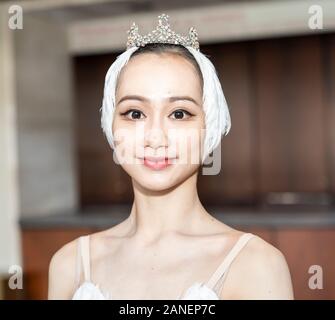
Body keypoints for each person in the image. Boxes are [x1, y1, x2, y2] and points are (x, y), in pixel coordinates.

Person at [48, 14, 294, 300]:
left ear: (209, 127)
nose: (155, 137)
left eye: (179, 114)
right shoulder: (70, 265)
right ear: (111, 126)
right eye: (135, 113)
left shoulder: (256, 266)